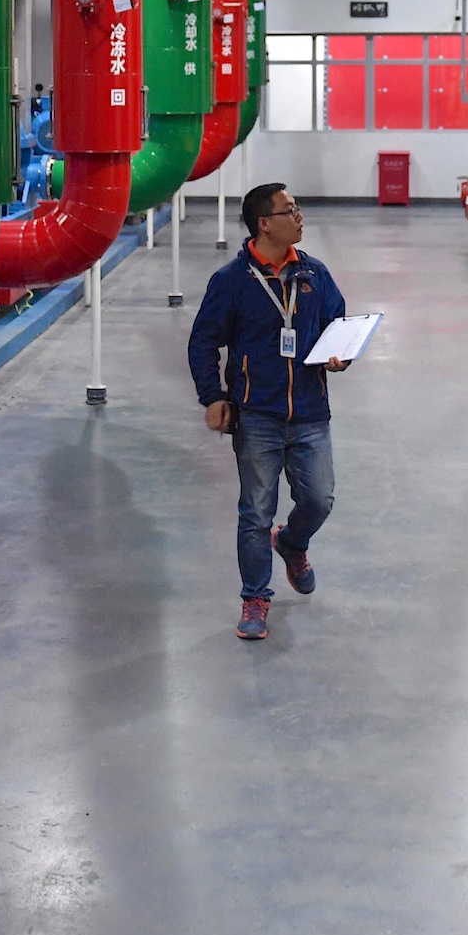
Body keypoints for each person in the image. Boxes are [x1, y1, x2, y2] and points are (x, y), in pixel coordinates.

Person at [187, 182, 352, 641]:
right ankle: (255, 597)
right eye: (290, 210)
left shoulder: (314, 275)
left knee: (320, 498)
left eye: (297, 209)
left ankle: (293, 542)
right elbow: (203, 342)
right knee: (256, 512)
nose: (299, 217)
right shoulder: (232, 282)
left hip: (311, 413)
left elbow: (336, 323)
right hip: (257, 414)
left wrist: (341, 354)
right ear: (265, 223)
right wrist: (213, 397)